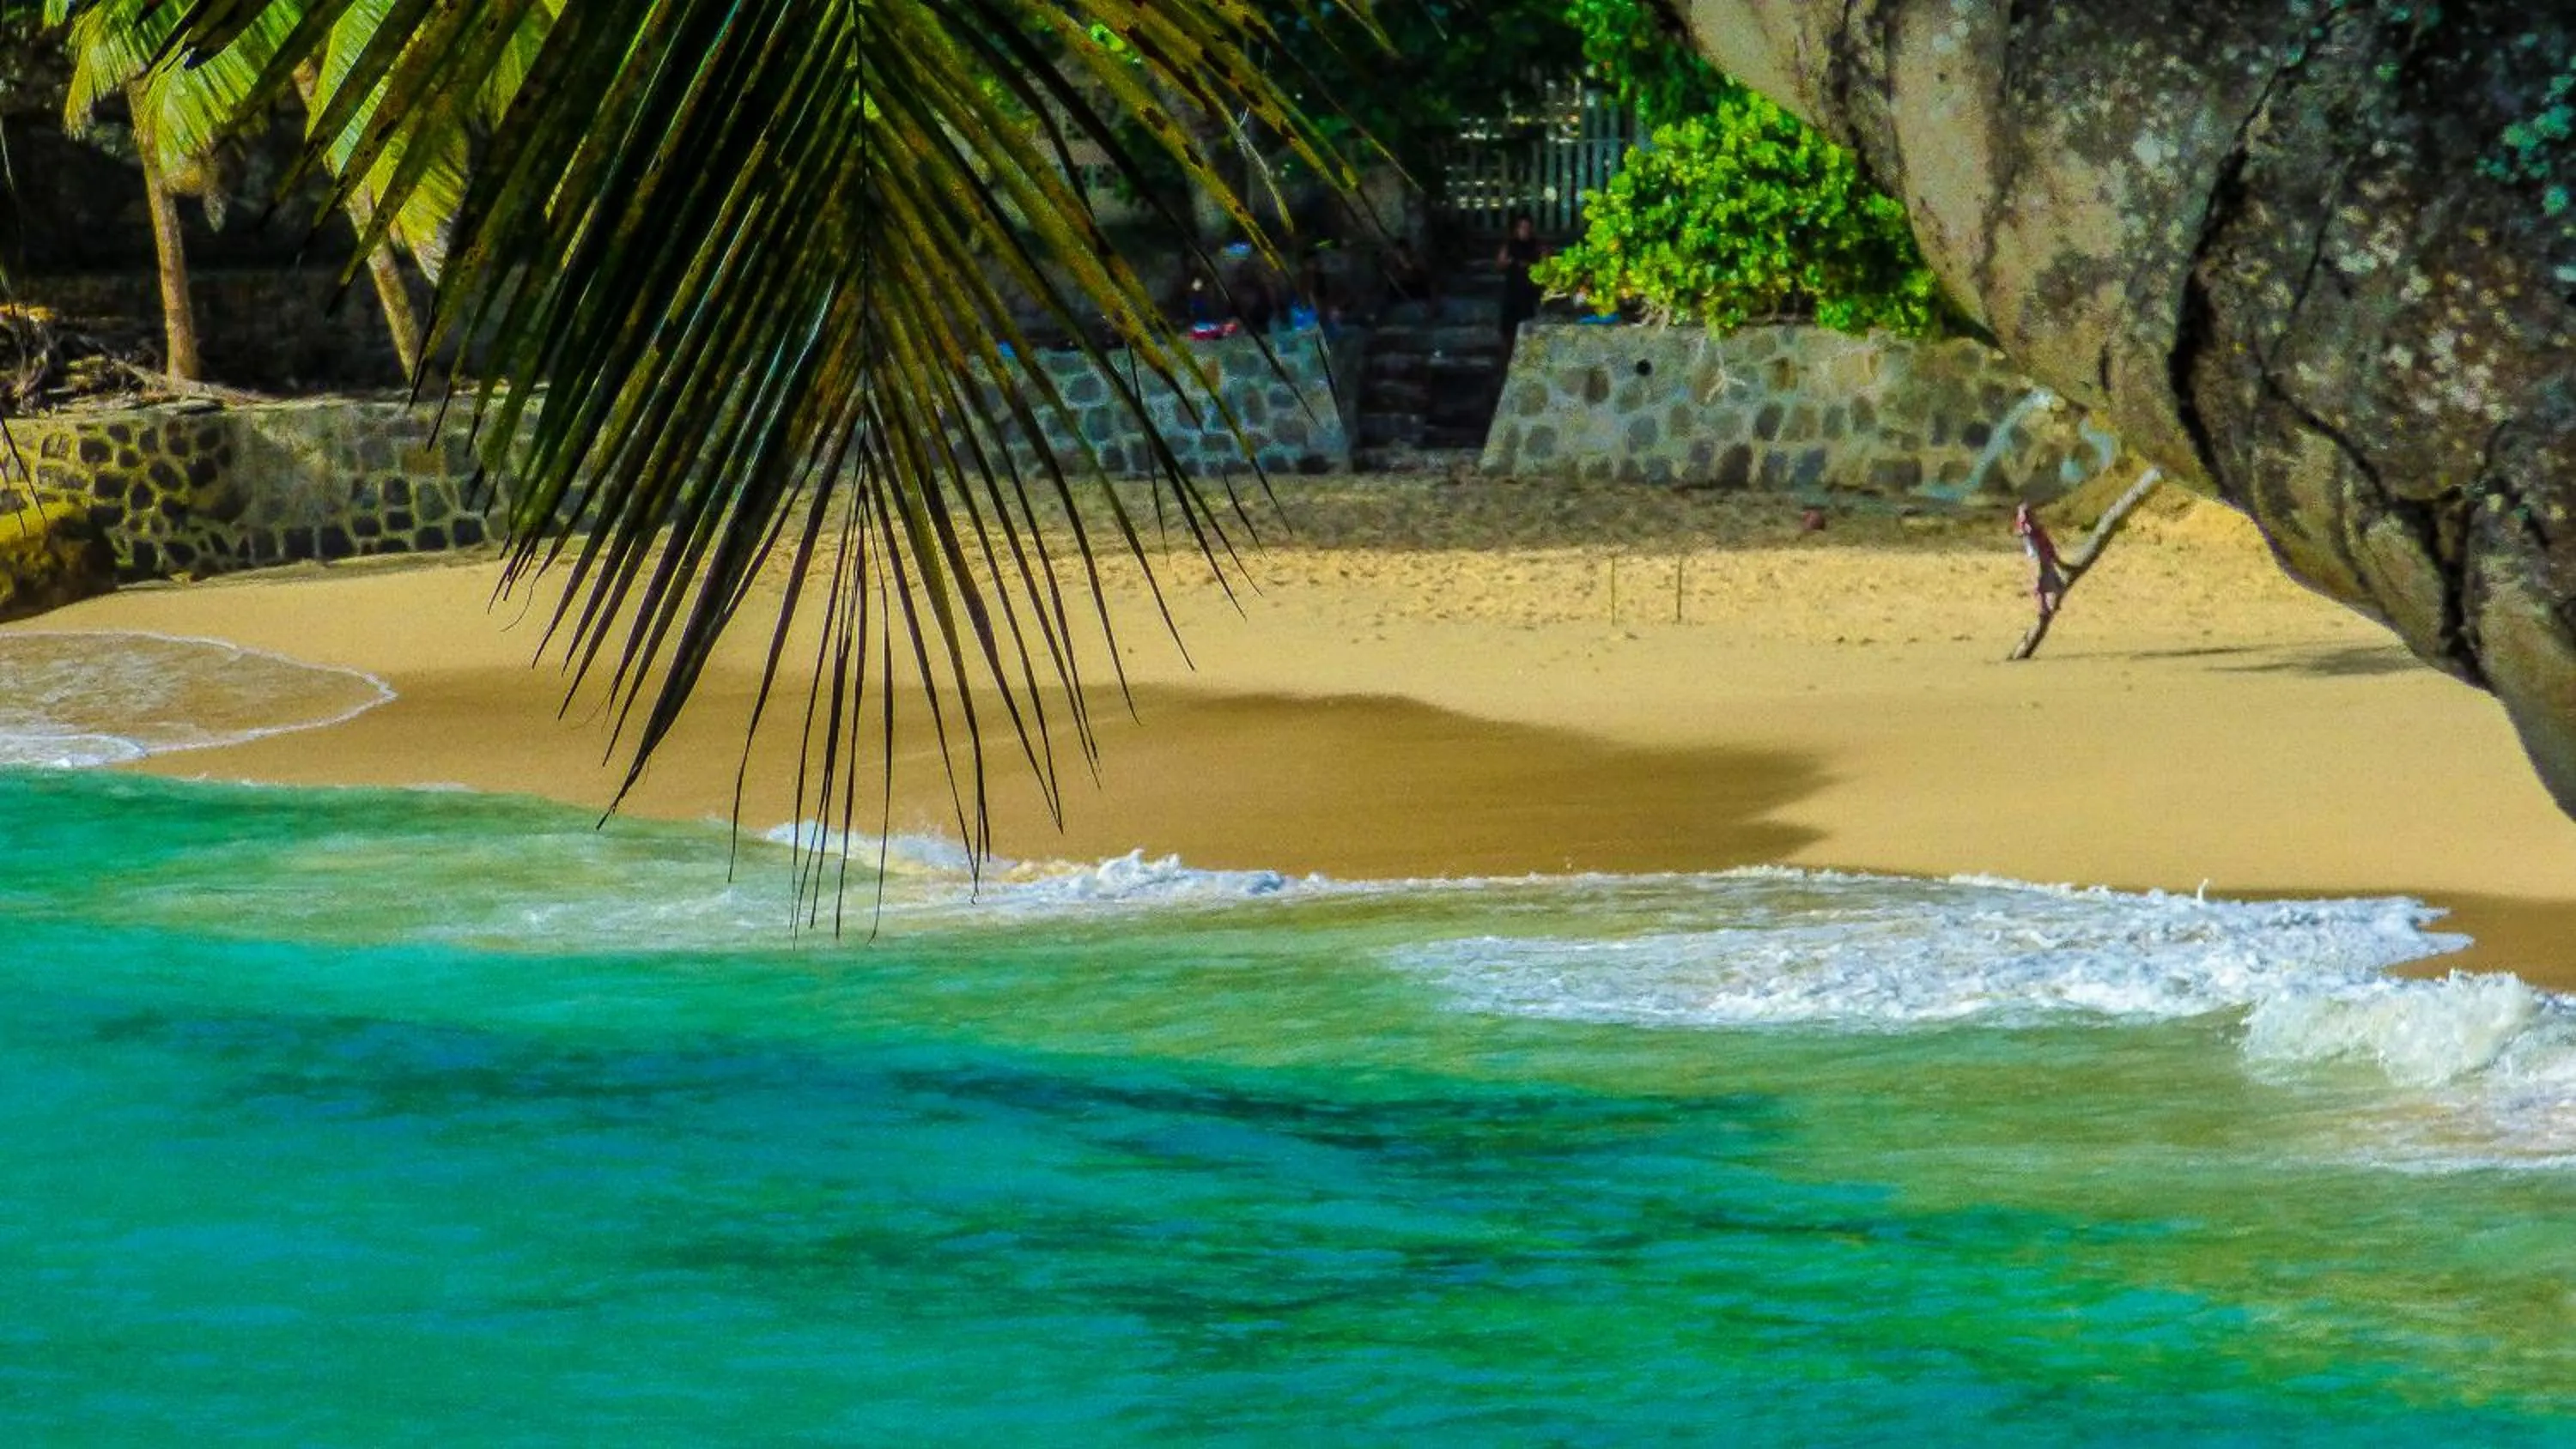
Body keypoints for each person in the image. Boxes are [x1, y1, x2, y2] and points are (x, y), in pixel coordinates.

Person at [1495, 213, 1544, 362]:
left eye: (1528, 227)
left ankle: (1526, 359)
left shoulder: (1536, 245)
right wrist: (1508, 262)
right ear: (1516, 229)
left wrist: (1532, 265)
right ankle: (1507, 360)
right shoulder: (1510, 245)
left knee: (1528, 329)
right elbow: (1499, 264)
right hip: (1512, 292)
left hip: (1529, 293)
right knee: (1508, 331)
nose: (1525, 231)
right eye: (1522, 227)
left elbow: (1546, 263)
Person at [2014, 501, 2066, 619]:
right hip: (2038, 558)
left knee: (2059, 586)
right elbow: (2023, 530)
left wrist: (2054, 557)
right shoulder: (2028, 529)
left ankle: (2053, 605)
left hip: (2046, 558)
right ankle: (2044, 608)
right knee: (2041, 584)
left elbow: (2047, 543)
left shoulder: (2038, 530)